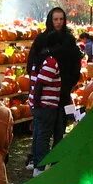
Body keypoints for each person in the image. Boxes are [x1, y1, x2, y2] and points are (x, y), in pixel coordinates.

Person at [27, 32, 63, 174]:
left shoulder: (38, 61)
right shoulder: (50, 61)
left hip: (37, 105)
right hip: (45, 105)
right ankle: (40, 167)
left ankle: (36, 164)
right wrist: (37, 103)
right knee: (43, 136)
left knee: (37, 135)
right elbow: (40, 85)